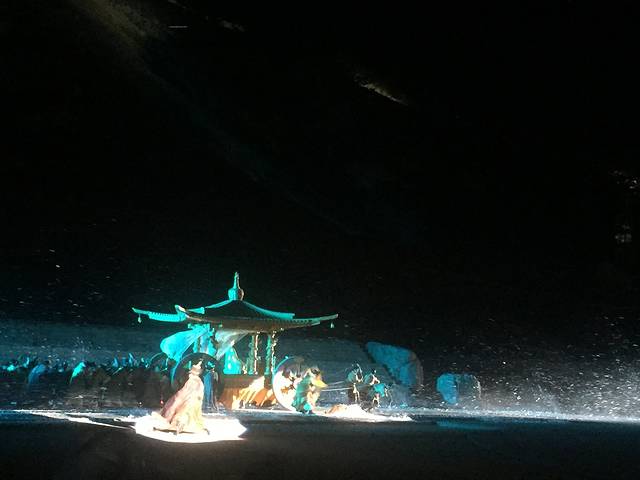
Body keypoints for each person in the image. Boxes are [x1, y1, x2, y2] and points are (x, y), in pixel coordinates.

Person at [154, 360, 208, 434]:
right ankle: (180, 425)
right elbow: (197, 392)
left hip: (189, 399)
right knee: (186, 412)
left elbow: (187, 390)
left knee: (183, 411)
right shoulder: (197, 381)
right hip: (191, 399)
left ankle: (180, 424)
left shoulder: (192, 379)